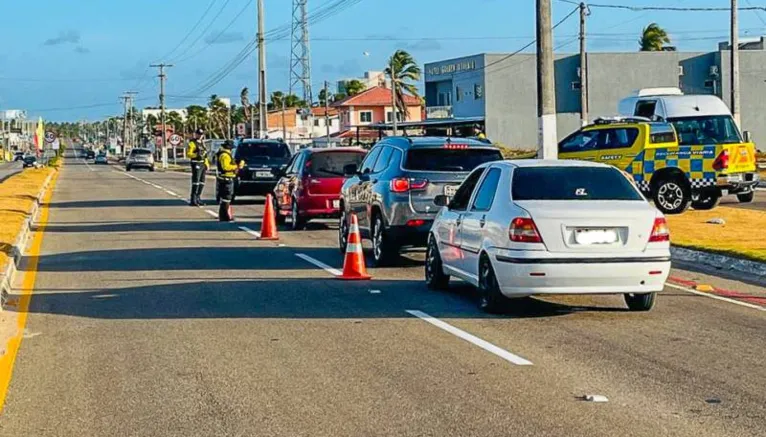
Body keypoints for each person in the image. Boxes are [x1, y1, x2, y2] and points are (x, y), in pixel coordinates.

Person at [215, 140, 243, 222]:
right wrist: (236, 166)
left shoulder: (225, 154)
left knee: (225, 198)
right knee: (226, 198)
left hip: (226, 178)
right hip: (226, 179)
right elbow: (226, 167)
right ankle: (224, 216)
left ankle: (223, 216)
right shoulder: (225, 155)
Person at [186, 129, 209, 206]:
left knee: (202, 182)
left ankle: (198, 198)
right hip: (196, 163)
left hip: (202, 163)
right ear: (196, 134)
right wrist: (196, 155)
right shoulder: (192, 143)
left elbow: (205, 155)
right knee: (196, 181)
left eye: (201, 134)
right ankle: (193, 199)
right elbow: (188, 154)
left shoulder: (202, 143)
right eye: (199, 134)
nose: (200, 136)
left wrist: (207, 164)